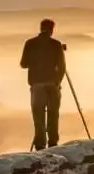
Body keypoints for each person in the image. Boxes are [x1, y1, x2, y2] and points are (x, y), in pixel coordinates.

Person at [20, 18, 66, 150]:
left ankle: (40, 145)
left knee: (38, 115)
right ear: (52, 30)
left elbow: (23, 64)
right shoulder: (56, 44)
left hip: (37, 84)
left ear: (40, 28)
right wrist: (57, 82)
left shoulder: (30, 43)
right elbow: (62, 67)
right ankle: (53, 143)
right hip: (52, 84)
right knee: (53, 114)